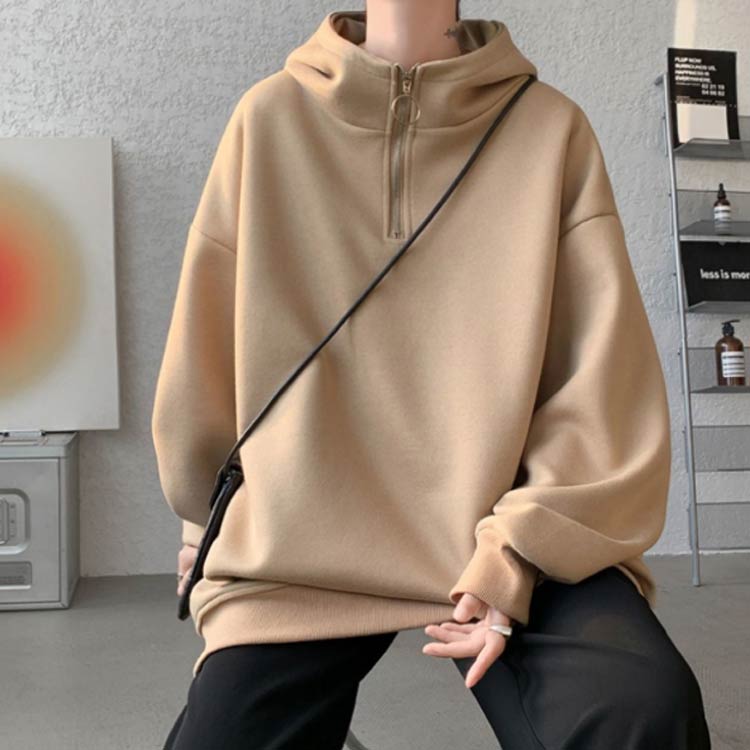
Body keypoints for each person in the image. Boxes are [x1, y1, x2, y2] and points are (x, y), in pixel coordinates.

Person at [152, 2, 713, 748]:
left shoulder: (550, 130)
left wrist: (515, 556)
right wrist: (205, 524)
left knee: (639, 710)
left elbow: (597, 386)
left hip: (508, 532)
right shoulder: (269, 118)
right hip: (299, 546)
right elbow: (207, 355)